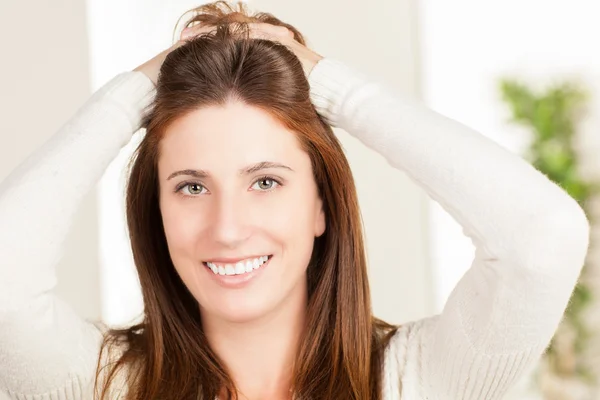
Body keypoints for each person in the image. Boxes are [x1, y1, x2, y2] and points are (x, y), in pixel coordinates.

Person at [0, 2, 591, 399]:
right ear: (155, 211)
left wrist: (329, 84)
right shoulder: (106, 385)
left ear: (321, 206)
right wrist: (138, 89)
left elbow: (543, 237)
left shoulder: (412, 380)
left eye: (266, 182)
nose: (228, 229)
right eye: (191, 186)